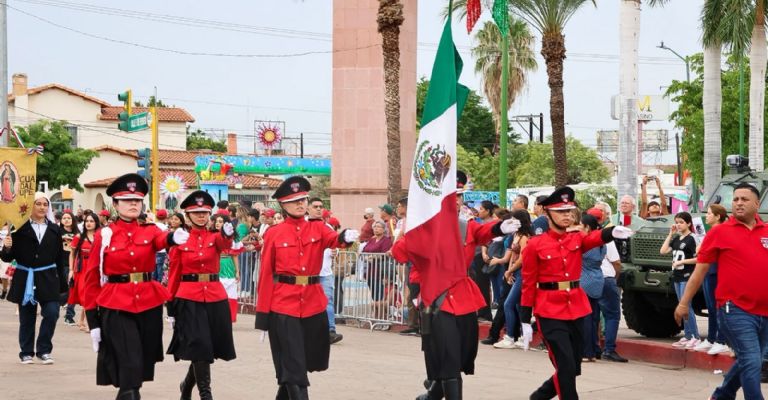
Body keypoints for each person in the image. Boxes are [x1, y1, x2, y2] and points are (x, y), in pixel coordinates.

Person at [81, 173, 189, 400]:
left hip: (148, 304)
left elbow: (161, 240)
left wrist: (173, 238)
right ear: (115, 204)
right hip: (116, 304)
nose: (133, 204)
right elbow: (91, 278)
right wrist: (93, 321)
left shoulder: (150, 231)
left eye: (137, 200)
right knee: (129, 362)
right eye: (127, 199)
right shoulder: (105, 235)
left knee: (140, 366)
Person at [520, 187, 632, 400]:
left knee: (573, 366)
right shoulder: (535, 245)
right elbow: (528, 283)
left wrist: (611, 232)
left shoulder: (576, 238)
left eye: (570, 211)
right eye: (561, 211)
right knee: (565, 365)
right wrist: (525, 319)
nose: (567, 215)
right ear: (547, 214)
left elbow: (594, 239)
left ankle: (539, 397)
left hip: (577, 307)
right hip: (550, 310)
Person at [254, 176, 358, 400]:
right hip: (283, 306)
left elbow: (334, 240)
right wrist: (263, 317)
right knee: (293, 368)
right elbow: (265, 276)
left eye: (303, 199)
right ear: (283, 204)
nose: (300, 204)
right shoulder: (273, 234)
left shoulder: (318, 228)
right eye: (294, 201)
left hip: (313, 304)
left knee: (299, 364)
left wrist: (345, 237)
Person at [674, 183, 768, 400]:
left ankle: (722, 396)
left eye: (744, 199)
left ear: (757, 203)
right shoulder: (720, 232)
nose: (739, 203)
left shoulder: (766, 231)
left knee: (749, 359)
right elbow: (700, 271)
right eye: (735, 199)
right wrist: (683, 302)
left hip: (764, 310)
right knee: (752, 361)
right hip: (734, 308)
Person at [166, 190, 236, 400]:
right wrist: (170, 305)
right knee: (200, 346)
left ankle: (186, 386)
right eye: (196, 212)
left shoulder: (215, 238)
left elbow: (225, 245)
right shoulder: (180, 240)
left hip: (214, 298)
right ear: (187, 215)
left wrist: (228, 233)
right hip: (189, 299)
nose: (201, 216)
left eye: (205, 212)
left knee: (206, 349)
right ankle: (206, 394)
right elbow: (174, 274)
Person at [1, 192, 67, 365]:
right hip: (26, 277)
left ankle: (44, 350)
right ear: (31, 206)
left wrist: (63, 285)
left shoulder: (54, 229)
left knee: (52, 313)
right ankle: (26, 352)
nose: (42, 207)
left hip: (48, 277)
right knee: (27, 317)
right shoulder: (19, 229)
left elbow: (59, 258)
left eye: (45, 204)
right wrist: (6, 247)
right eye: (38, 204)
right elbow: (7, 258)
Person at [585, 208, 627, 362]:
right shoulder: (604, 238)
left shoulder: (583, 239)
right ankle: (609, 349)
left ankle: (593, 348)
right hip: (606, 278)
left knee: (593, 316)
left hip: (589, 281)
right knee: (612, 316)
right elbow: (616, 262)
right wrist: (615, 279)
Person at [692, 204, 731, 355]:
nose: (706, 216)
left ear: (717, 216)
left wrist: (700, 248)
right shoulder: (711, 231)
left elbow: (702, 250)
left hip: (716, 272)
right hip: (708, 271)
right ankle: (711, 338)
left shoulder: (720, 231)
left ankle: (722, 340)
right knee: (711, 307)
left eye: (709, 214)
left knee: (717, 308)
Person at [490, 209, 531, 349]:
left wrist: (509, 270)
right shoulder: (516, 235)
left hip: (522, 274)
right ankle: (520, 336)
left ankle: (510, 337)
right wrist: (510, 270)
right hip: (516, 272)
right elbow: (513, 256)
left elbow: (522, 258)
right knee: (517, 305)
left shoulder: (525, 237)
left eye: (514, 220)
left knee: (508, 304)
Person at [660, 211, 700, 349]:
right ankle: (688, 335)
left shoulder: (692, 238)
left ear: (689, 223)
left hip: (687, 275)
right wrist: (670, 233)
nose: (678, 225)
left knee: (686, 306)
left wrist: (683, 261)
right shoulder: (677, 238)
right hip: (677, 276)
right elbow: (663, 251)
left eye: (681, 222)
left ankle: (694, 336)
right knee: (681, 306)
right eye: (677, 222)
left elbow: (699, 258)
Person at [68, 212, 100, 331]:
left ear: (96, 223)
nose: (89, 223)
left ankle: (81, 321)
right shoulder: (78, 237)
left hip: (95, 269)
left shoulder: (99, 236)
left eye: (91, 221)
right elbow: (72, 254)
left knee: (91, 295)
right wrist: (71, 270)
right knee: (86, 295)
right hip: (82, 270)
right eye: (87, 221)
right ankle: (88, 323)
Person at [60, 210, 80, 325]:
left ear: (73, 220)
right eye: (64, 218)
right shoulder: (57, 232)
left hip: (73, 265)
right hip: (60, 264)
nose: (66, 220)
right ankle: (60, 303)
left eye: (68, 218)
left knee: (72, 289)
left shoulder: (78, 233)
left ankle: (69, 315)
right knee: (61, 289)